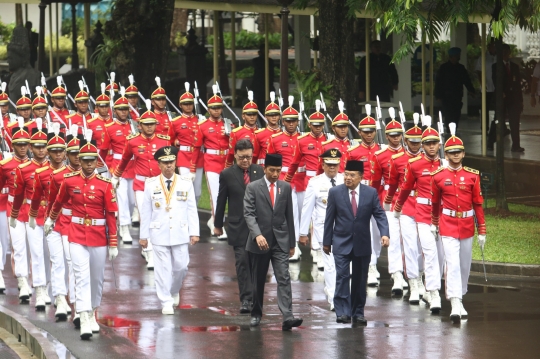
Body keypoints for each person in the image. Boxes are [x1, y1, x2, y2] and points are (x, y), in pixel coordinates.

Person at [46, 139, 119, 340]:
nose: (88, 164)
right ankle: (84, 315)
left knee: (97, 278)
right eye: (85, 161)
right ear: (80, 160)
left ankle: (93, 311)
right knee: (81, 275)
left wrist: (113, 241)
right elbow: (58, 202)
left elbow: (111, 214)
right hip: (76, 234)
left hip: (98, 237)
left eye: (92, 161)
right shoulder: (69, 180)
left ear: (97, 162)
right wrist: (50, 221)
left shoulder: (105, 185)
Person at [430, 123, 486, 323]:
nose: (455, 156)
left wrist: (482, 231)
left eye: (458, 152)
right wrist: (434, 223)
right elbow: (435, 203)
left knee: (464, 264)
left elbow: (478, 204)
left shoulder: (472, 176)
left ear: (463, 154)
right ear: (446, 155)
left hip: (467, 225)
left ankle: (460, 294)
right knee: (451, 263)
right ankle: (455, 300)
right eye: (451, 153)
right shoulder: (438, 177)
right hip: (447, 224)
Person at [323, 160, 389, 325]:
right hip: (341, 242)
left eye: (352, 175)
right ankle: (342, 312)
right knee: (343, 276)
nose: (348, 178)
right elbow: (329, 219)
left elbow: (379, 214)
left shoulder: (370, 193)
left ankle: (358, 312)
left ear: (361, 177)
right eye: (346, 174)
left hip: (362, 243)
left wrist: (385, 234)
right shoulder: (335, 192)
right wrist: (327, 242)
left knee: (360, 279)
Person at [243, 153, 303, 330]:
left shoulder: (285, 187)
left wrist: (292, 243)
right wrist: (257, 235)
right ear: (264, 169)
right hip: (259, 241)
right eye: (272, 170)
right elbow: (249, 214)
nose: (276, 174)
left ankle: (288, 316)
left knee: (283, 276)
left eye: (278, 170)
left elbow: (289, 216)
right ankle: (256, 313)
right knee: (258, 280)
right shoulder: (253, 187)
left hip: (280, 241)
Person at [139, 146, 199, 315]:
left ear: (175, 162)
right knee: (162, 269)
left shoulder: (186, 183)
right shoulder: (150, 184)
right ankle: (165, 300)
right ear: (159, 164)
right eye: (165, 163)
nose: (168, 166)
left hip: (180, 232)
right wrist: (144, 236)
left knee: (182, 267)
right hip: (159, 232)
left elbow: (192, 209)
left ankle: (174, 290)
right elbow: (146, 211)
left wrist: (194, 232)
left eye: (171, 162)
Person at [393, 116, 445, 313]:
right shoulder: (414, 164)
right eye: (427, 144)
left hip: (439, 213)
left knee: (437, 255)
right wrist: (397, 208)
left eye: (434, 143)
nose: (431, 147)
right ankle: (416, 284)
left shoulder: (445, 164)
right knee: (413, 247)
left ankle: (427, 281)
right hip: (414, 209)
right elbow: (405, 188)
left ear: (439, 144)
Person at [112, 106, 170, 269]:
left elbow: (170, 163)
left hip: (159, 183)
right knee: (146, 218)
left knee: (160, 217)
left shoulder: (164, 140)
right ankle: (150, 253)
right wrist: (116, 176)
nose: (150, 126)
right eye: (146, 124)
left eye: (152, 123)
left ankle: (158, 249)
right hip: (141, 185)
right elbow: (124, 160)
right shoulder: (132, 141)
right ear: (140, 125)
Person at [214, 139, 264, 314]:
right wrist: (218, 224)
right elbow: (221, 200)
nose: (245, 161)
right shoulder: (227, 174)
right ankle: (246, 299)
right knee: (242, 262)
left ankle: (256, 298)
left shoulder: (260, 172)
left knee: (256, 263)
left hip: (258, 227)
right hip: (238, 225)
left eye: (249, 157)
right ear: (235, 155)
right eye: (242, 157)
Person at [28, 128, 71, 320]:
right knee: (46, 257)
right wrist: (31, 216)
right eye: (54, 150)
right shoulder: (41, 172)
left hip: (69, 221)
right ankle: (48, 293)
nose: (58, 154)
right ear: (48, 151)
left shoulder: (72, 173)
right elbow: (36, 197)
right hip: (45, 220)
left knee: (68, 262)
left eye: (61, 150)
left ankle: (65, 295)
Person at [10, 122, 51, 310]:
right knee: (25, 250)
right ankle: (27, 282)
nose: (41, 150)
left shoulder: (55, 169)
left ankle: (49, 287)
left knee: (48, 253)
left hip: (48, 214)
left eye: (44, 146)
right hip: (24, 213)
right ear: (32, 148)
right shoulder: (23, 169)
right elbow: (18, 194)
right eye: (38, 146)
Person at [383, 119, 425, 303]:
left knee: (423, 247)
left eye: (418, 141)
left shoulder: (431, 160)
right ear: (406, 141)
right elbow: (392, 185)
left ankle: (421, 278)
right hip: (402, 204)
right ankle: (405, 278)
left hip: (424, 206)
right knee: (403, 243)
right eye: (412, 141)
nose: (415, 144)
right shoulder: (397, 160)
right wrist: (388, 205)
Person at [299, 149, 344, 311]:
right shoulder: (315, 182)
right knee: (330, 265)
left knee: (343, 265)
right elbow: (307, 209)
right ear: (323, 165)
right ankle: (334, 298)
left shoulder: (346, 180)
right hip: (324, 230)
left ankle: (340, 294)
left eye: (335, 165)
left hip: (344, 230)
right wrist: (303, 233)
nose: (332, 168)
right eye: (329, 165)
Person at [46, 131, 82, 327]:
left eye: (79, 153)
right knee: (57, 261)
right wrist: (48, 221)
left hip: (74, 225)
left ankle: (75, 304)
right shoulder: (58, 176)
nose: (76, 157)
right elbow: (52, 201)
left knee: (74, 264)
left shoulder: (88, 177)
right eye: (73, 153)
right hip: (56, 223)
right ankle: (60, 298)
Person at [370, 118, 406, 293]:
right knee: (392, 238)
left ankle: (412, 275)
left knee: (407, 241)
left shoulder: (410, 156)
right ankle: (397, 274)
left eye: (398, 134)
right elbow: (375, 183)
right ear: (386, 136)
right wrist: (372, 202)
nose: (396, 138)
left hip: (408, 201)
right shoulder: (380, 156)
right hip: (388, 201)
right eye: (392, 135)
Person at [347, 105, 381, 286]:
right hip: (358, 193)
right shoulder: (353, 153)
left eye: (372, 132)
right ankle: (365, 263)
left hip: (375, 194)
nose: (369, 135)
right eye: (365, 132)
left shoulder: (381, 151)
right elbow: (349, 176)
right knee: (360, 229)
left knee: (375, 232)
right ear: (359, 132)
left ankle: (373, 263)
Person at [191, 87, 230, 239]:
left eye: (219, 107)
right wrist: (193, 168)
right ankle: (218, 226)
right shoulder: (203, 126)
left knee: (226, 195)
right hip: (211, 162)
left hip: (226, 162)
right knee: (215, 195)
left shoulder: (227, 124)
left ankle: (213, 220)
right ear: (208, 109)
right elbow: (195, 148)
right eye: (213, 108)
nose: (216, 110)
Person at [266, 98, 302, 261]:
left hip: (301, 179)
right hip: (282, 178)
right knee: (288, 213)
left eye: (294, 120)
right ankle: (290, 245)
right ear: (283, 121)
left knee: (301, 213)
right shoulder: (275, 139)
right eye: (288, 120)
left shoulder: (303, 138)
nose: (291, 123)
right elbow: (270, 162)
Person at [99, 95, 137, 248]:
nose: (123, 112)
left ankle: (125, 221)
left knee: (132, 200)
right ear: (114, 110)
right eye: (120, 109)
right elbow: (103, 151)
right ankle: (124, 228)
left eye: (125, 109)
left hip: (134, 165)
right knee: (121, 198)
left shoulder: (134, 125)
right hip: (117, 166)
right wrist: (102, 168)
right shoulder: (110, 128)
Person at [0, 123, 30, 298]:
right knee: (12, 245)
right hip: (8, 206)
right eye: (19, 144)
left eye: (25, 143)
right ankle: (21, 280)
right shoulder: (6, 164)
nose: (22, 147)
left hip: (31, 210)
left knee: (28, 247)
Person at [169, 83, 203, 203]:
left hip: (198, 157)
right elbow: (170, 140)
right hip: (183, 157)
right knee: (185, 188)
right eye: (185, 104)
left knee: (197, 190)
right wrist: (175, 142)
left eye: (190, 103)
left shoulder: (200, 120)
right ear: (180, 105)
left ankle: (195, 212)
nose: (188, 106)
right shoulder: (175, 122)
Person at [489, 44, 523, 152]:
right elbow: (495, 80)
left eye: (506, 51)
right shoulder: (496, 66)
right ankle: (490, 143)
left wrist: (520, 100)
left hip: (513, 98)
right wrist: (501, 92)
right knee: (497, 120)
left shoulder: (514, 66)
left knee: (514, 122)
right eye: (503, 52)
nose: (505, 54)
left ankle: (516, 145)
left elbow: (518, 84)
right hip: (502, 98)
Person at [434, 47, 475, 129]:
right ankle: (449, 132)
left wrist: (471, 90)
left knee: (456, 115)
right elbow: (438, 82)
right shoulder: (444, 68)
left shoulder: (461, 68)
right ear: (453, 56)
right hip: (446, 97)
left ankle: (454, 130)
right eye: (457, 55)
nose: (459, 57)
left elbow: (466, 80)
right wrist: (438, 95)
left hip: (457, 96)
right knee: (448, 115)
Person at [225, 92, 260, 168]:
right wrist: (227, 169)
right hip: (242, 166)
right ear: (243, 116)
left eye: (254, 114)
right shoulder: (236, 133)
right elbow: (231, 154)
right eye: (249, 114)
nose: (252, 117)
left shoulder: (261, 132)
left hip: (258, 168)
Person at [254, 93, 282, 166]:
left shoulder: (283, 133)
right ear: (266, 116)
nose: (274, 117)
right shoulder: (259, 135)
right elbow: (254, 155)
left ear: (279, 116)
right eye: (271, 115)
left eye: (276, 115)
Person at [475, 39, 497, 132]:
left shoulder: (498, 57)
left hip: (496, 87)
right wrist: (482, 83)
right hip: (486, 87)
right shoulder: (483, 57)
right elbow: (478, 71)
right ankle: (484, 127)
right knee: (485, 108)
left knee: (498, 108)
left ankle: (497, 127)